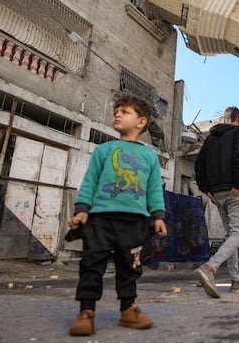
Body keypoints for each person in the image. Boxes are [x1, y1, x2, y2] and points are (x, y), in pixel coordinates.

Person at [67, 92, 168, 336]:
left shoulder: (149, 157)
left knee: (130, 267)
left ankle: (128, 310)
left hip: (134, 222)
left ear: (141, 122)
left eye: (125, 112)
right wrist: (82, 210)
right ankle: (86, 311)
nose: (118, 114)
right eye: (116, 112)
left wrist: (158, 215)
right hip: (100, 219)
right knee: (91, 264)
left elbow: (154, 188)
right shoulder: (104, 150)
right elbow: (90, 182)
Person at [194, 106, 239, 298]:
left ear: (224, 120)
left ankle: (236, 281)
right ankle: (209, 268)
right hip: (233, 190)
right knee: (238, 234)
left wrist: (206, 190)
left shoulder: (210, 139)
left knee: (231, 234)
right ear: (238, 119)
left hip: (216, 193)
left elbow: (199, 165)